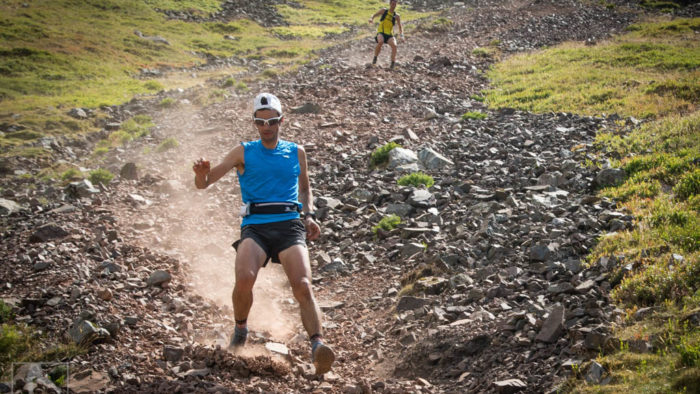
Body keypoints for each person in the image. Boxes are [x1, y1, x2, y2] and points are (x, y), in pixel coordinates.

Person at [192, 93, 335, 375]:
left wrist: (309, 215)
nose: (266, 127)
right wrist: (200, 172)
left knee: (303, 285)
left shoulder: (296, 152)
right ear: (254, 123)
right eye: (260, 122)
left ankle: (318, 346)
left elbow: (305, 189)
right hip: (255, 225)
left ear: (281, 120)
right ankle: (241, 329)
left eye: (271, 121)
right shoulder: (242, 151)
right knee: (245, 278)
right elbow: (204, 184)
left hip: (290, 224)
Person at [368, 0, 404, 69]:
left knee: (394, 46)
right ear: (390, 4)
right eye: (393, 3)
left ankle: (392, 64)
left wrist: (401, 35)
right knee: (380, 42)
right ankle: (375, 58)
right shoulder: (384, 11)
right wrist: (371, 19)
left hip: (389, 35)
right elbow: (375, 15)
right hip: (381, 32)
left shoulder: (396, 16)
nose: (394, 5)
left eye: (395, 4)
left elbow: (400, 26)